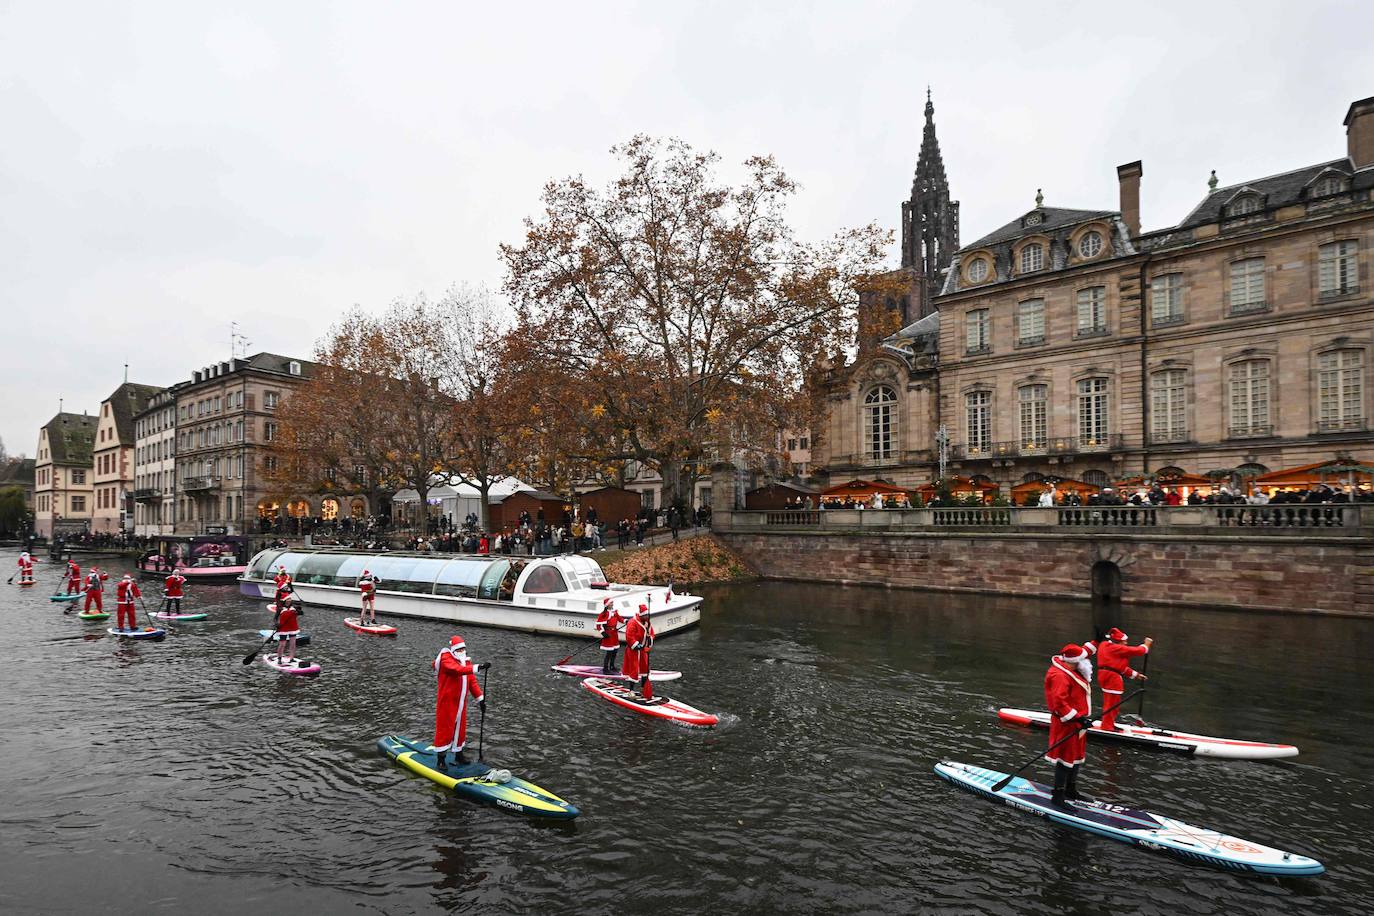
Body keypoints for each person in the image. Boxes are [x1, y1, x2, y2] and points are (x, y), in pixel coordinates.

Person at [1044, 643, 1094, 807]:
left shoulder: (1072, 665)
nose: (1085, 661)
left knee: (1076, 757)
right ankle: (1058, 796)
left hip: (1078, 724)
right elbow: (1059, 703)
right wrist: (1078, 718)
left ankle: (1070, 790)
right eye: (1082, 659)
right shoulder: (1060, 676)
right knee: (1065, 759)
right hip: (1067, 723)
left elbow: (1084, 651)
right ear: (1074, 661)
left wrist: (1096, 641)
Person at [432, 635, 487, 768]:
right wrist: (478, 667)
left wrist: (481, 699)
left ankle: (458, 755)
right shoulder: (446, 660)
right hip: (447, 703)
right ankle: (441, 759)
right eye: (460, 649)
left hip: (461, 704)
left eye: (464, 649)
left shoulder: (465, 662)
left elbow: (471, 682)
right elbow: (457, 670)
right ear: (454, 649)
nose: (462, 651)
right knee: (445, 729)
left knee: (460, 730)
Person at [1085, 627, 1151, 731]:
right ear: (1118, 641)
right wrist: (1146, 645)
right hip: (1112, 678)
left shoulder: (1107, 647)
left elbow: (1118, 666)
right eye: (1124, 641)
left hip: (1107, 675)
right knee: (1112, 704)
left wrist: (1136, 675)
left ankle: (1109, 723)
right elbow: (1137, 651)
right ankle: (1107, 726)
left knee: (1112, 703)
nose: (1126, 644)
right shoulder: (1113, 647)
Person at [623, 603, 655, 700]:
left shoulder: (647, 623)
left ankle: (643, 689)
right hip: (634, 651)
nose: (647, 617)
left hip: (643, 650)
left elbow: (652, 633)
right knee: (634, 669)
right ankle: (631, 691)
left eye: (647, 615)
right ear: (641, 615)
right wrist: (637, 645)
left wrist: (649, 643)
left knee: (645, 670)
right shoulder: (632, 622)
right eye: (645, 615)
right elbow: (629, 637)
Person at [272, 594, 304, 663]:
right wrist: (276, 624)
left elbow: (301, 613)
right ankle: (279, 658)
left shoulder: (294, 608)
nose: (289, 600)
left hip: (293, 628)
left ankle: (291, 658)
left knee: (293, 644)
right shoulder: (280, 608)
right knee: (282, 644)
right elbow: (275, 618)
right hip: (283, 628)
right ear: (285, 600)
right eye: (287, 599)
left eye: (290, 599)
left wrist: (299, 610)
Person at [594, 598, 621, 674]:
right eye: (611, 603)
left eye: (612, 602)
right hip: (608, 634)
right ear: (607, 605)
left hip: (614, 634)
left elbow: (619, 618)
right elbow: (598, 625)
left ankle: (612, 666)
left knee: (615, 651)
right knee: (609, 652)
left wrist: (626, 621)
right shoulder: (603, 614)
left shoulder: (614, 612)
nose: (612, 604)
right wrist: (603, 633)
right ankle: (605, 669)